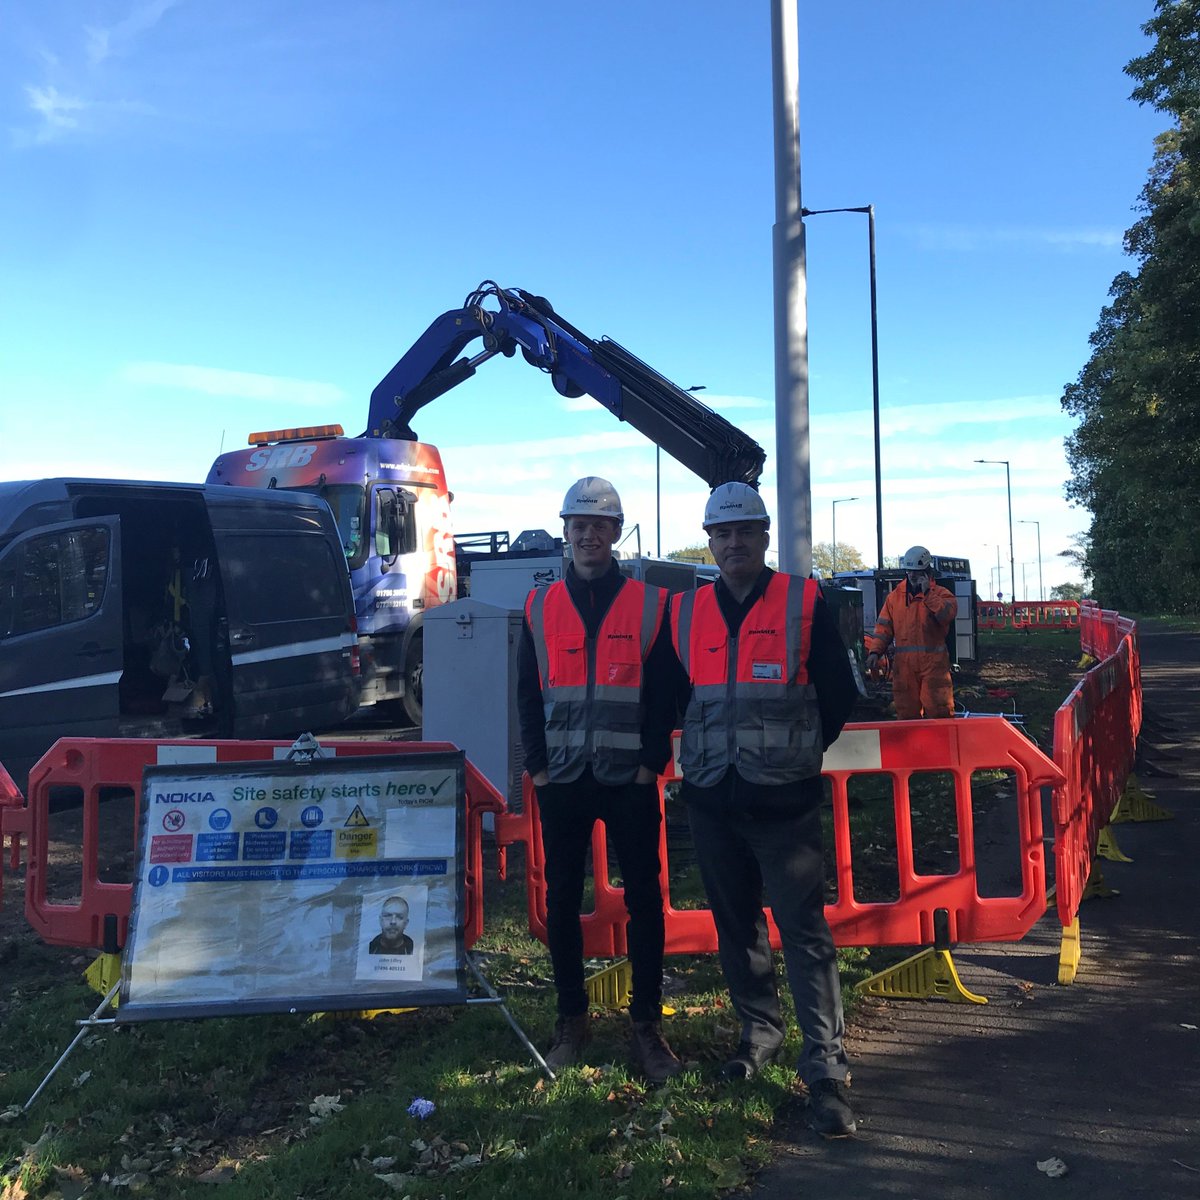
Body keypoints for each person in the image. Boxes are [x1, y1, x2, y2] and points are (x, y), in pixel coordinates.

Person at [669, 482, 858, 1137]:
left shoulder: (805, 601)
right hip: (714, 801)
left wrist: (795, 754)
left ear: (765, 535)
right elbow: (674, 697)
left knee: (805, 935)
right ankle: (759, 1036)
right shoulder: (686, 611)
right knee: (737, 929)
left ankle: (827, 1067)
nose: (733, 544)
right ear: (710, 540)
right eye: (721, 534)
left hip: (785, 804)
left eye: (745, 531)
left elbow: (837, 697)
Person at [518, 476, 683, 1084]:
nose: (589, 535)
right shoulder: (539, 607)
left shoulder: (649, 604)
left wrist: (649, 764)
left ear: (617, 533)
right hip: (563, 778)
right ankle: (571, 1019)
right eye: (578, 525)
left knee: (645, 898)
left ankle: (646, 1026)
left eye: (600, 525)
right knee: (561, 900)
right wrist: (536, 766)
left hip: (629, 780)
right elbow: (527, 696)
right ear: (566, 531)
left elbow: (666, 690)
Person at [864, 545, 958, 719]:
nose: (912, 575)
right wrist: (875, 652)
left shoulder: (942, 594)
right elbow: (883, 628)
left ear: (926, 572)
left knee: (939, 712)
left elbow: (947, 615)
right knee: (906, 714)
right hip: (904, 667)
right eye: (909, 571)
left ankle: (939, 746)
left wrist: (928, 594)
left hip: (933, 666)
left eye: (916, 571)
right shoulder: (895, 598)